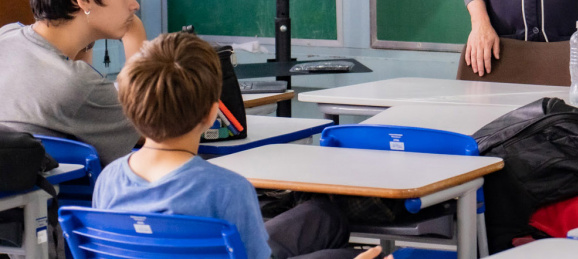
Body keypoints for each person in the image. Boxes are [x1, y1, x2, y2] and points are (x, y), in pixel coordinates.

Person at [94, 32, 386, 259]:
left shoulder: (109, 180)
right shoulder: (226, 189)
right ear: (212, 114)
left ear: (129, 108)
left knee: (324, 217)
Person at [0, 0, 145, 165]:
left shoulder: (6, 37)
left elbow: (67, 66)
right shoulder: (79, 86)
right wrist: (135, 36)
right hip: (66, 200)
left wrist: (88, 34)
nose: (134, 4)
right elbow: (154, 127)